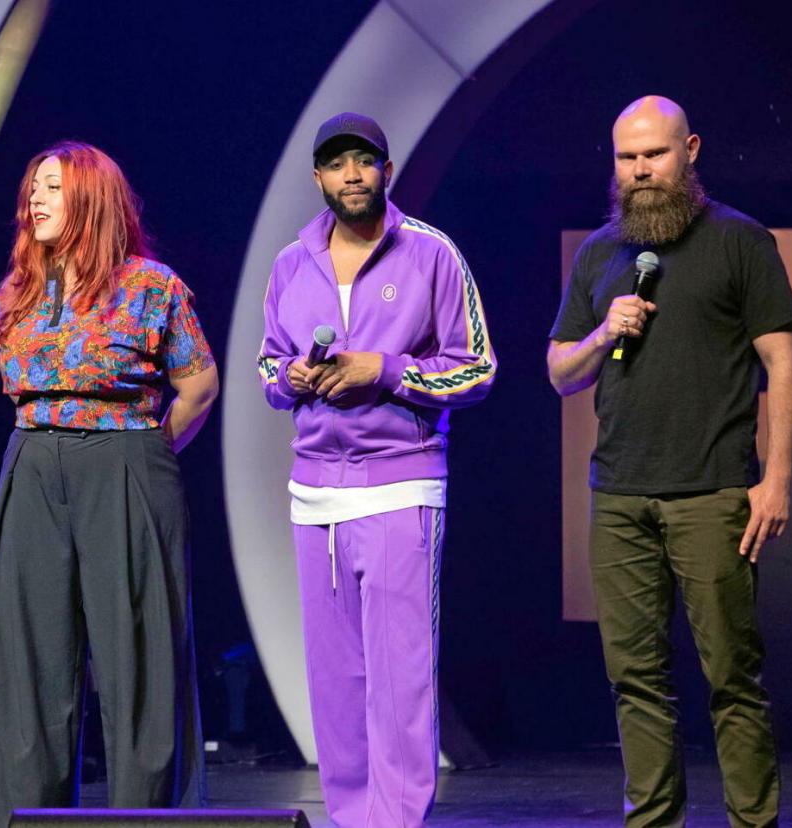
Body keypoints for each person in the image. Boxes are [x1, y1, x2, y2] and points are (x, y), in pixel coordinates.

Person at [548, 96, 792, 828]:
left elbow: (782, 362)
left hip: (713, 494)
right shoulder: (600, 253)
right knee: (635, 679)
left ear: (689, 150)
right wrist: (602, 332)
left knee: (732, 677)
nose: (640, 172)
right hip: (620, 497)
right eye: (627, 159)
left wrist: (775, 479)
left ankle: (754, 822)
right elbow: (560, 370)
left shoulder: (740, 241)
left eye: (653, 155)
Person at [258, 113, 496, 828]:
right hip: (314, 495)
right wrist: (295, 377)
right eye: (337, 164)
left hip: (400, 484)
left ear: (386, 173)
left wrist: (385, 371)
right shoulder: (289, 263)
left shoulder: (430, 253)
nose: (352, 175)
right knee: (336, 687)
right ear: (318, 178)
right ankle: (350, 819)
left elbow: (477, 370)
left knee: (399, 683)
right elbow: (268, 367)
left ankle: (395, 822)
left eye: (365, 161)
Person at [0, 141, 218, 825]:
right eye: (33, 188)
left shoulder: (151, 286)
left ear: (90, 195)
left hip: (125, 462)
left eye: (52, 186)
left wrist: (146, 455)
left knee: (137, 663)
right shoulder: (20, 286)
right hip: (31, 462)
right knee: (29, 667)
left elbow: (199, 385)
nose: (36, 199)